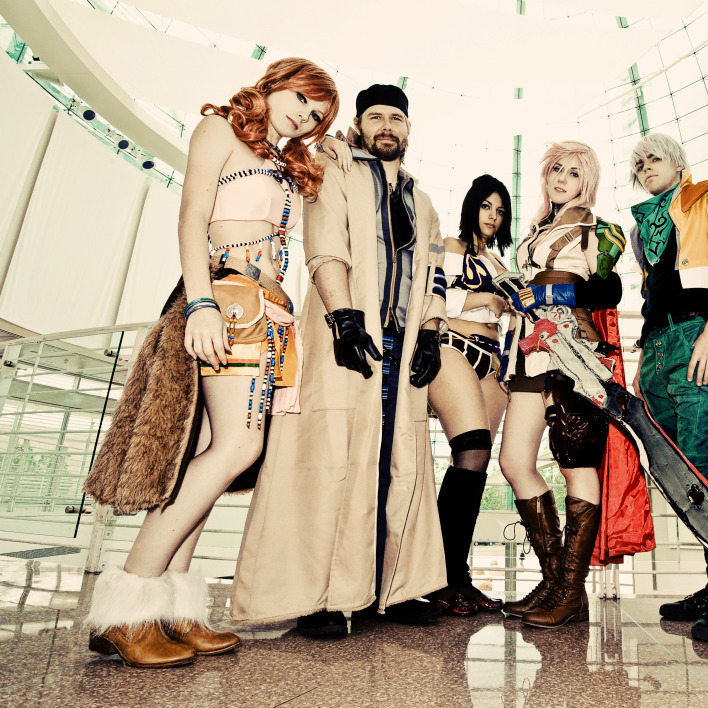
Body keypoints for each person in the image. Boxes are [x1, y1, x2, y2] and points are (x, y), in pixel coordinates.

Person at [82, 59, 339, 667]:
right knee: (239, 446)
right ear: (275, 83)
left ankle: (174, 607)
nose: (305, 116)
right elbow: (193, 216)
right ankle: (128, 606)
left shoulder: (282, 160)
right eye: (301, 98)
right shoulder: (219, 128)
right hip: (227, 298)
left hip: (266, 307)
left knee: (208, 456)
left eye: (317, 114)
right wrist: (200, 303)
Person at [230, 84, 449, 637]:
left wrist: (429, 332)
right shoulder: (334, 168)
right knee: (330, 459)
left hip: (402, 346)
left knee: (397, 462)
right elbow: (325, 246)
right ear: (359, 123)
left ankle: (391, 589)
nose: (386, 125)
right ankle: (320, 596)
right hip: (347, 335)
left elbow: (435, 273)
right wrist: (343, 318)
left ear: (408, 129)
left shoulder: (423, 201)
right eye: (375, 116)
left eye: (396, 117)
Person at [500, 141, 654, 628]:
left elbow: (610, 290)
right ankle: (557, 584)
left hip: (574, 353)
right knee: (514, 462)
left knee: (575, 464)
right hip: (529, 351)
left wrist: (548, 290)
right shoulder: (535, 231)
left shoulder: (598, 229)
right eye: (556, 170)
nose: (561, 179)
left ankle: (568, 590)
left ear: (587, 181)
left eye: (573, 172)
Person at [627, 133, 708, 643]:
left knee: (706, 466)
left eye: (654, 158)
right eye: (638, 163)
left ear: (679, 163)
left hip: (695, 336)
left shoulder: (706, 197)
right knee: (680, 475)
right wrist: (644, 361)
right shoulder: (643, 227)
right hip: (657, 347)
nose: (645, 167)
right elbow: (652, 295)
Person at [426, 175, 513, 616]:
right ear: (471, 206)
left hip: (493, 361)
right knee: (472, 448)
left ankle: (456, 577)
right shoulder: (448, 246)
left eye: (500, 210)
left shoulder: (499, 263)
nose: (492, 216)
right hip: (453, 347)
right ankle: (439, 578)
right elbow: (431, 298)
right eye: (486, 206)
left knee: (475, 465)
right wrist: (484, 300)